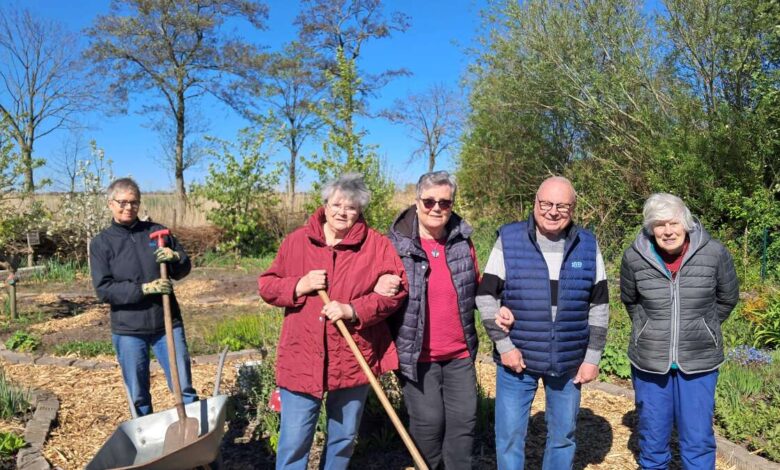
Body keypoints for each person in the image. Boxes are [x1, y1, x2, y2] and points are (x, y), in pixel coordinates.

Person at [258, 173, 408, 470]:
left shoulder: (376, 246)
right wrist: (299, 285)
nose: (343, 212)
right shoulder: (296, 242)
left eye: (351, 207)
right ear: (324, 204)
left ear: (360, 210)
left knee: (343, 438)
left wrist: (353, 309)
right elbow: (267, 286)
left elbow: (397, 291)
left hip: (352, 356)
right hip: (302, 354)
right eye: (337, 204)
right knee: (294, 439)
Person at [476, 176, 609, 470]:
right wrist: (504, 345)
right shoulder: (509, 240)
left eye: (562, 206)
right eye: (546, 203)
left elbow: (599, 305)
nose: (552, 211)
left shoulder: (587, 245)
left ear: (573, 209)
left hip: (568, 360)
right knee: (509, 436)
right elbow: (486, 296)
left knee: (563, 436)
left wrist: (592, 358)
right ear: (535, 203)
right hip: (517, 358)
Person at [620, 193, 739, 470]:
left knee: (698, 439)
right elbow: (631, 300)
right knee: (652, 436)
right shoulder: (634, 257)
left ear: (686, 223)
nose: (668, 231)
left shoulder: (715, 253)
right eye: (659, 224)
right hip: (650, 359)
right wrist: (649, 329)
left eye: (673, 223)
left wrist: (703, 327)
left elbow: (727, 297)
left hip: (699, 360)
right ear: (651, 228)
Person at [374, 170, 480, 470]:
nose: (436, 208)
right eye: (429, 201)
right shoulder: (394, 244)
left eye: (445, 203)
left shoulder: (462, 241)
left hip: (459, 352)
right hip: (417, 354)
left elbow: (476, 283)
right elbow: (372, 284)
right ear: (416, 201)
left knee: (464, 421)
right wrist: (377, 285)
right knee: (429, 423)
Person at [89, 177, 197, 417]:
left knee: (184, 388)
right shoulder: (101, 244)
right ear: (110, 203)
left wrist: (176, 258)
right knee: (138, 395)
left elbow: (182, 269)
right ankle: (148, 447)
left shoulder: (157, 233)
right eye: (123, 202)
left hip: (167, 324)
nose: (129, 207)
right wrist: (145, 289)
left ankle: (195, 441)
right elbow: (103, 289)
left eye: (134, 202)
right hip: (128, 330)